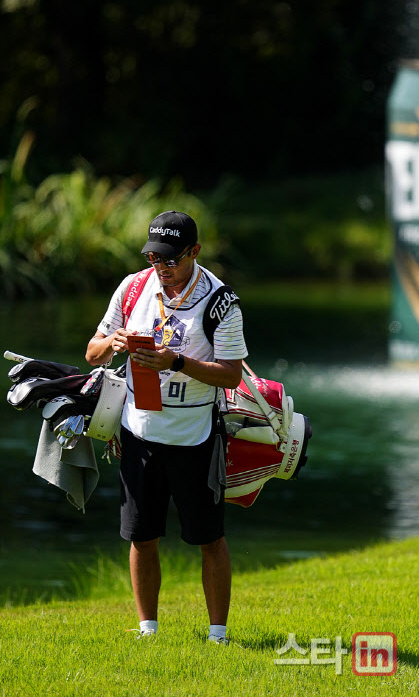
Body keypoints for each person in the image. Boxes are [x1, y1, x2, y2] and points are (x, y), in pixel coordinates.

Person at [85, 211, 247, 645]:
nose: (162, 267)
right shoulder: (133, 286)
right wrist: (112, 343)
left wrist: (176, 361)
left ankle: (218, 635)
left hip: (195, 435)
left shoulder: (220, 302)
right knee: (142, 535)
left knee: (209, 538)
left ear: (194, 252)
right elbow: (92, 352)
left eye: (171, 259)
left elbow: (231, 375)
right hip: (138, 432)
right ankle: (148, 630)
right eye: (155, 257)